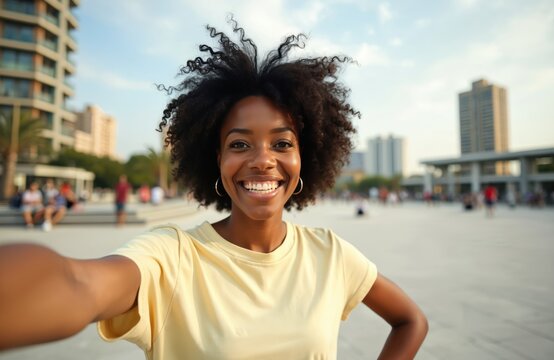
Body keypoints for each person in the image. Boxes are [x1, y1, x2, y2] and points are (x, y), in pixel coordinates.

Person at [0, 20, 427, 358]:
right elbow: (77, 284)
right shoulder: (171, 257)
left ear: (305, 160)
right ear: (215, 161)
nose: (262, 159)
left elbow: (410, 321)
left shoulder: (331, 254)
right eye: (239, 144)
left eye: (282, 143)